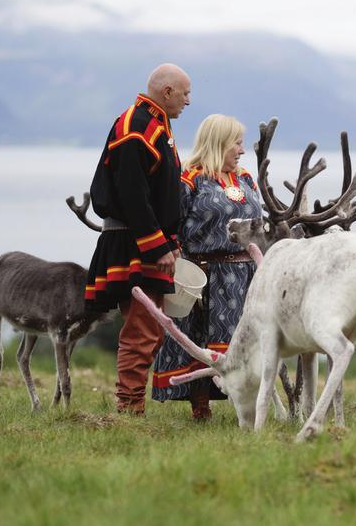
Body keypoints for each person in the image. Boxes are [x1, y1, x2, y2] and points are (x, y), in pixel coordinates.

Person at [84, 63, 191, 415]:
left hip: (146, 240)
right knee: (142, 328)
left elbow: (158, 194)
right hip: (135, 242)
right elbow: (132, 193)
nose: (189, 101)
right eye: (186, 93)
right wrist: (157, 245)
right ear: (168, 92)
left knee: (150, 327)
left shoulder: (155, 123)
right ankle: (129, 408)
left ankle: (130, 405)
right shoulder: (136, 125)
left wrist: (169, 241)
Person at [151, 114, 261, 419]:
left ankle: (248, 404)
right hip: (206, 274)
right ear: (219, 142)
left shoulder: (246, 179)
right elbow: (171, 225)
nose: (241, 150)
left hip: (246, 275)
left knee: (246, 342)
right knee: (201, 340)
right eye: (236, 143)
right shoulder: (190, 179)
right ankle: (200, 407)